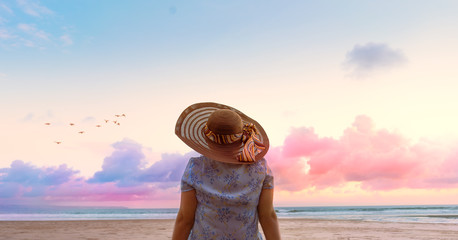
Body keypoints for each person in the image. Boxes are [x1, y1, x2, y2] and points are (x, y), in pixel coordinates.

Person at [172, 102, 281, 240]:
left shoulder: (195, 168)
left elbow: (184, 219)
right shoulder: (260, 168)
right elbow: (268, 216)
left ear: (207, 141)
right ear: (241, 140)